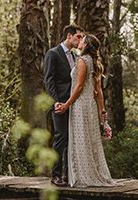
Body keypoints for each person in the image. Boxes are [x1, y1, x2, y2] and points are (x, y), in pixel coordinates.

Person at [56, 34, 116, 187]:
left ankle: (83, 176)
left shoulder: (82, 61)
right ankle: (90, 173)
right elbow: (98, 91)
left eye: (82, 40)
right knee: (89, 139)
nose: (80, 41)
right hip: (90, 105)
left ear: (87, 44)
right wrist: (102, 112)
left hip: (80, 105)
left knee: (80, 139)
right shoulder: (95, 63)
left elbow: (79, 87)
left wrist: (66, 105)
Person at [44, 24, 84, 186]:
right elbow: (48, 80)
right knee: (61, 138)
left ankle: (68, 175)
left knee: (70, 139)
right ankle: (55, 175)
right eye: (78, 37)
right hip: (59, 104)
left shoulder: (75, 57)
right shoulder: (53, 53)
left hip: (72, 104)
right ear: (69, 36)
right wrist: (56, 102)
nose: (80, 40)